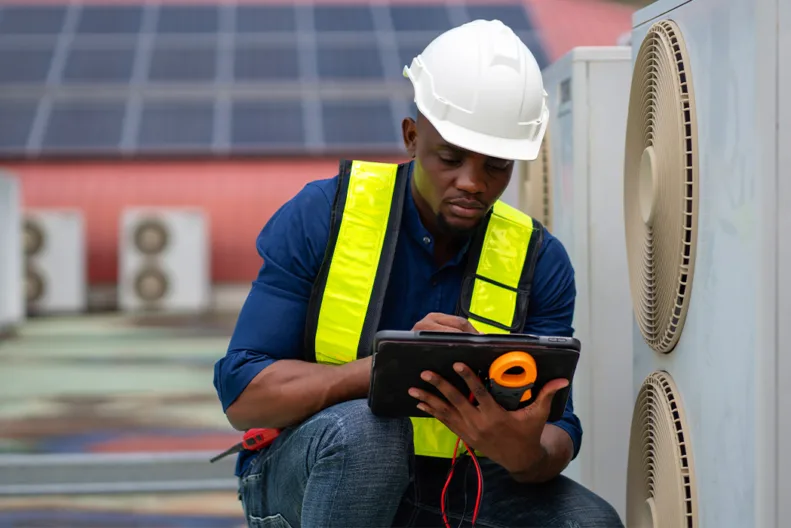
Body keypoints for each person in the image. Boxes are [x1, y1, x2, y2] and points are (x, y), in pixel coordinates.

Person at [213, 19, 623, 528]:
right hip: (309, 470)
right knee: (369, 434)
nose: (472, 183)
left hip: (458, 479)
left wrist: (524, 453)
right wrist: (388, 367)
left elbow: (559, 430)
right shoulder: (325, 214)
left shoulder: (539, 259)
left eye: (496, 166)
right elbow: (244, 397)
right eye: (450, 158)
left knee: (589, 522)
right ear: (411, 137)